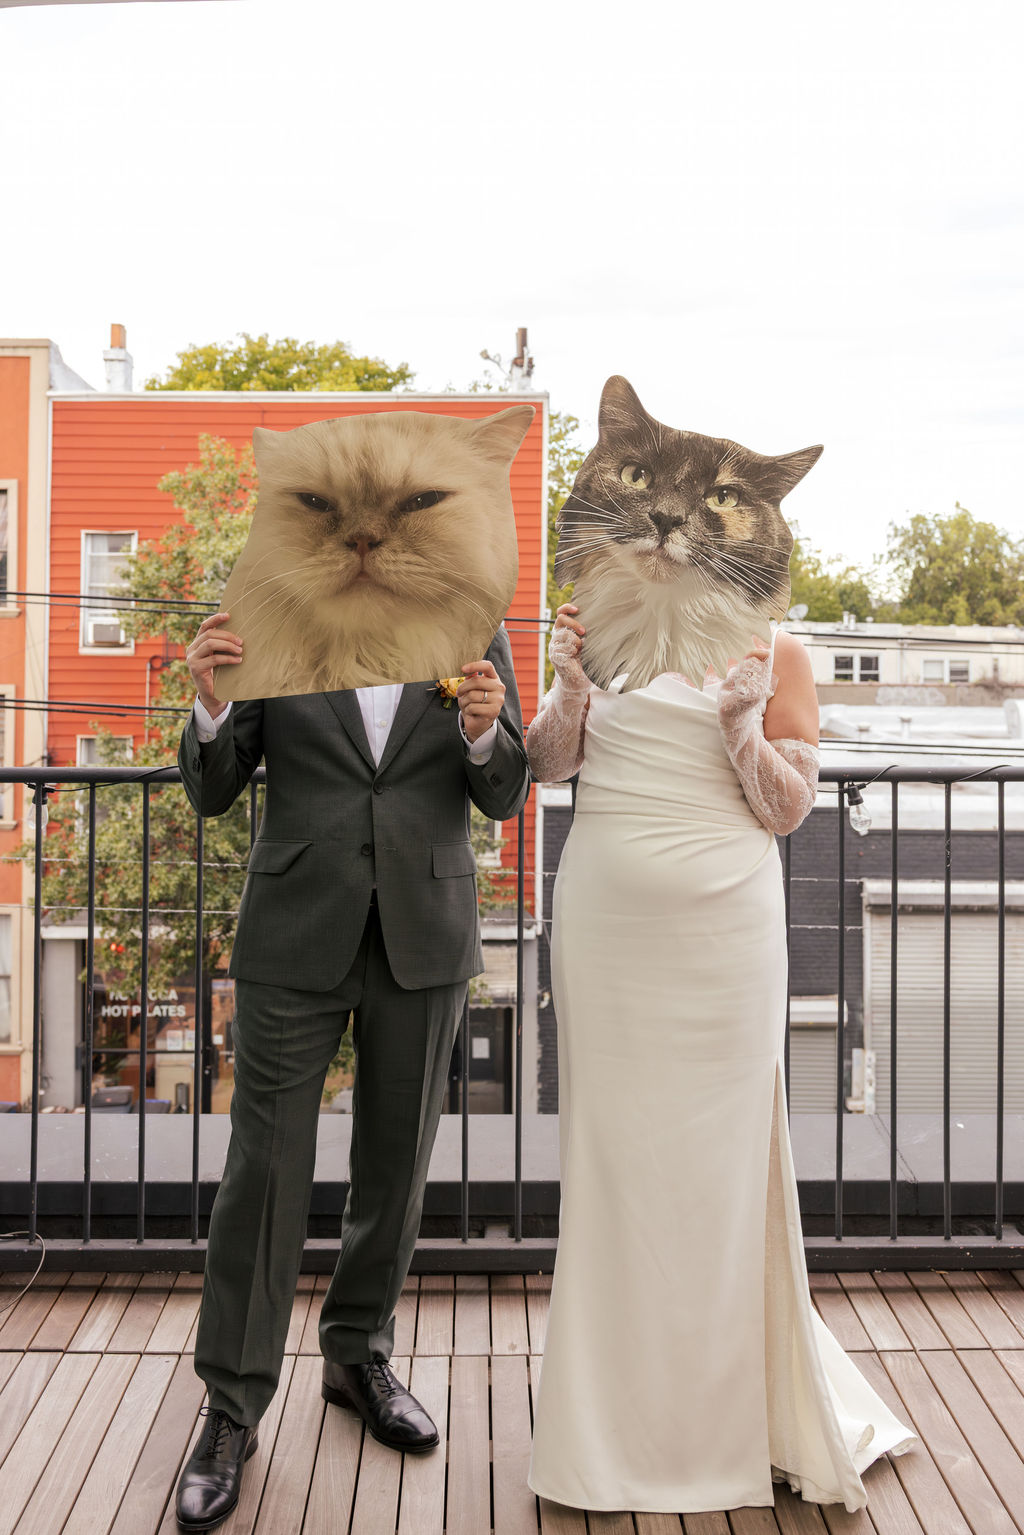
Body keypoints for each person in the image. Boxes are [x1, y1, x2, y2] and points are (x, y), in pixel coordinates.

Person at [525, 604, 916, 1516]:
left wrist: (742, 714)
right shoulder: (611, 633)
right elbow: (546, 766)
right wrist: (571, 682)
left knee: (720, 1174)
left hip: (726, 937)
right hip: (609, 929)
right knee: (614, 1168)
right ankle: (607, 1427)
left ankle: (731, 1413)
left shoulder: (779, 650)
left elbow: (787, 810)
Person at [173, 612, 529, 1532]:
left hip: (424, 929)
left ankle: (357, 1354)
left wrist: (483, 726)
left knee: (396, 1166)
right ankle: (232, 1407)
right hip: (295, 930)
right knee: (264, 1173)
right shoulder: (283, 606)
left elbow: (504, 791)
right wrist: (211, 707)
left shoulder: (467, 615)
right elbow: (215, 789)